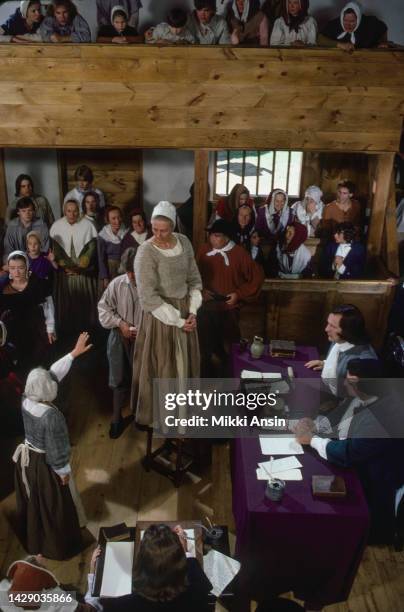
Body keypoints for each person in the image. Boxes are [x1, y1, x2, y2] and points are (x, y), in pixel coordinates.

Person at [295, 359, 404, 544]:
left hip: (373, 482)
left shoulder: (382, 419)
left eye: (350, 381)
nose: (345, 383)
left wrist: (312, 440)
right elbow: (341, 417)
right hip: (356, 456)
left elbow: (348, 453)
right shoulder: (364, 394)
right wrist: (317, 425)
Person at [12, 333, 91, 560]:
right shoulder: (51, 416)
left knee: (35, 502)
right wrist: (63, 472)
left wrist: (73, 354)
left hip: (28, 463)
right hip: (47, 465)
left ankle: (36, 534)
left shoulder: (26, 398)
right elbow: (57, 450)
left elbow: (53, 373)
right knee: (57, 504)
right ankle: (57, 543)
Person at [131, 201, 202, 427]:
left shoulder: (184, 242)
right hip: (162, 320)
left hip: (185, 314)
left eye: (164, 230)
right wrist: (179, 321)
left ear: (173, 227)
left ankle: (184, 420)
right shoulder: (145, 252)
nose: (159, 235)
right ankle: (165, 420)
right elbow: (148, 298)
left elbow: (194, 279)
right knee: (165, 369)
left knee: (184, 370)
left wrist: (192, 312)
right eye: (155, 229)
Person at [197, 219, 264, 375]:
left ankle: (229, 387)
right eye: (211, 235)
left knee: (229, 350)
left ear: (227, 237)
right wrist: (200, 291)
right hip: (205, 308)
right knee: (204, 350)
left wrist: (238, 294)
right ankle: (205, 388)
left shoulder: (240, 254)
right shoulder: (203, 250)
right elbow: (192, 276)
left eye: (217, 236)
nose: (213, 239)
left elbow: (257, 278)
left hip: (228, 309)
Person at [94, 524, 211, 611]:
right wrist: (183, 552)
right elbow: (197, 576)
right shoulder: (199, 589)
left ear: (140, 564)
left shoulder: (119, 606)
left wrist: (92, 573)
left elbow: (95, 606)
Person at [98, 248, 142, 439]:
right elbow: (103, 309)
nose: (132, 275)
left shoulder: (151, 285)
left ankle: (142, 416)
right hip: (119, 336)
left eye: (136, 270)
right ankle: (116, 419)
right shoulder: (117, 284)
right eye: (129, 270)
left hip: (143, 338)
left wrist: (144, 329)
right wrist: (120, 323)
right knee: (118, 378)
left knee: (142, 378)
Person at [0, 251, 55, 378]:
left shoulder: (38, 284)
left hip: (35, 331)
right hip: (13, 334)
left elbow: (48, 307)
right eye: (13, 268)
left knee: (37, 365)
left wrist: (50, 328)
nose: (17, 272)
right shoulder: (3, 289)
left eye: (20, 268)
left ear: (27, 267)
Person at [305, 304, 377, 396]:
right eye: (328, 323)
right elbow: (340, 359)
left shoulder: (363, 361)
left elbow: (358, 397)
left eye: (333, 326)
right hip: (326, 388)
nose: (326, 329)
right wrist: (326, 363)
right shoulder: (339, 339)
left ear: (348, 331)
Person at [50, 200, 98, 333]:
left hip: (82, 272)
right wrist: (64, 266)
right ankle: (68, 330)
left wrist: (80, 267)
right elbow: (56, 250)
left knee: (85, 300)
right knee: (67, 301)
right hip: (64, 273)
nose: (72, 214)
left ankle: (87, 328)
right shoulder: (57, 226)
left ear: (79, 211)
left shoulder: (88, 225)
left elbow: (91, 249)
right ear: (64, 211)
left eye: (75, 210)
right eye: (69, 211)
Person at [0, 553, 98, 612]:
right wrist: (93, 570)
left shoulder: (6, 596)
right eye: (35, 561)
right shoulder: (56, 600)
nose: (39, 555)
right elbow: (91, 609)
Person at [319, 1, 388, 51]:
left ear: (358, 19)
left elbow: (383, 28)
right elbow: (320, 39)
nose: (348, 25)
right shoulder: (335, 24)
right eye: (345, 21)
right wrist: (339, 45)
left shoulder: (369, 23)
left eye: (352, 21)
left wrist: (383, 42)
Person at [3, 198, 50, 265]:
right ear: (18, 212)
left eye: (29, 210)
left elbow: (45, 248)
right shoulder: (12, 226)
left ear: (34, 211)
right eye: (23, 211)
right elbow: (8, 250)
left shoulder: (42, 225)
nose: (27, 213)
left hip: (38, 261)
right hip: (17, 262)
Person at [98, 207, 127, 288]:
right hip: (109, 270)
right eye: (113, 218)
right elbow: (101, 258)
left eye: (119, 217)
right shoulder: (103, 235)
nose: (117, 221)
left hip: (124, 269)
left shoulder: (127, 232)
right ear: (108, 220)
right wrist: (105, 277)